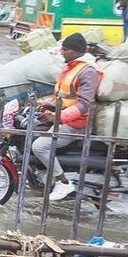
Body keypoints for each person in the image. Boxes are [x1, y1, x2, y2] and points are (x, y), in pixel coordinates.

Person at [32, 33, 100, 201]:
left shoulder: (87, 71)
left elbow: (84, 104)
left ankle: (63, 182)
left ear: (76, 51)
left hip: (77, 124)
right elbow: (65, 97)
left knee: (40, 147)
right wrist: (44, 104)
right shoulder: (71, 67)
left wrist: (58, 117)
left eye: (65, 49)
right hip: (67, 118)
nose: (62, 52)